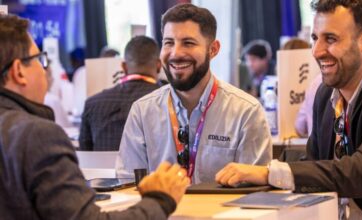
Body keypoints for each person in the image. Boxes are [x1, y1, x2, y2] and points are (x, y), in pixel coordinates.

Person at [0, 14, 189, 219]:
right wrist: (160, 200)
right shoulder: (36, 136)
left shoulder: (91, 104)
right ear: (19, 71)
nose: (44, 69)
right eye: (39, 60)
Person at [216, 0, 362, 219]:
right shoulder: (326, 94)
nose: (316, 51)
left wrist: (270, 173)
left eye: (331, 39)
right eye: (315, 38)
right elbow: (315, 166)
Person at [116, 3, 272, 183]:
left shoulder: (245, 112)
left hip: (222, 211)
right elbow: (127, 185)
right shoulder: (142, 112)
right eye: (169, 43)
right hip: (160, 211)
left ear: (213, 50)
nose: (175, 53)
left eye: (188, 43)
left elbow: (255, 191)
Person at [79, 36, 161, 151]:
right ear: (159, 65)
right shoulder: (168, 101)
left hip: (103, 169)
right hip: (154, 170)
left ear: (124, 67)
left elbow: (85, 154)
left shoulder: (92, 104)